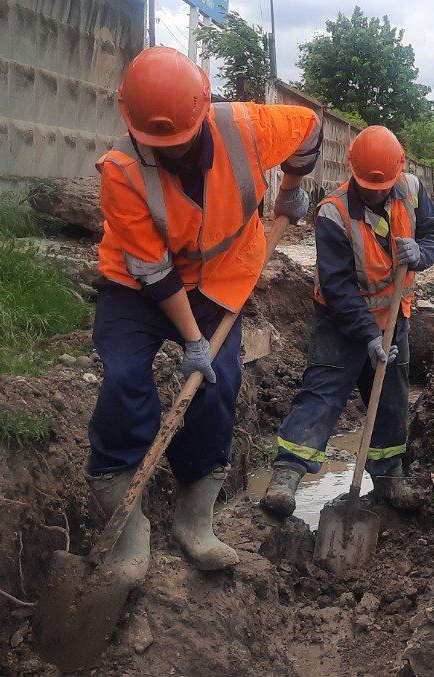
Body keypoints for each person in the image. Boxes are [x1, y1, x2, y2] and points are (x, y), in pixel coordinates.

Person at [89, 46, 321, 584]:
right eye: (157, 143)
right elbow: (152, 270)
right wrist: (193, 340)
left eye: (181, 139)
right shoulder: (121, 170)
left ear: (202, 110)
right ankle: (127, 528)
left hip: (219, 277)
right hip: (137, 286)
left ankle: (194, 520)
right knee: (124, 378)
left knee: (218, 385)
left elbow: (309, 129)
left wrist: (290, 190)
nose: (171, 151)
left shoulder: (247, 128)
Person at [260, 125, 434, 517]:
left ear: (399, 169)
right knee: (324, 392)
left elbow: (433, 232)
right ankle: (286, 476)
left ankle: (388, 476)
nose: (377, 193)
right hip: (341, 319)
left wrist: (422, 253)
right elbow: (337, 286)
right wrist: (367, 333)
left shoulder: (412, 189)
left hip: (394, 317)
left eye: (383, 186)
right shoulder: (334, 212)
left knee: (391, 399)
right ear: (352, 171)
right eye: (369, 186)